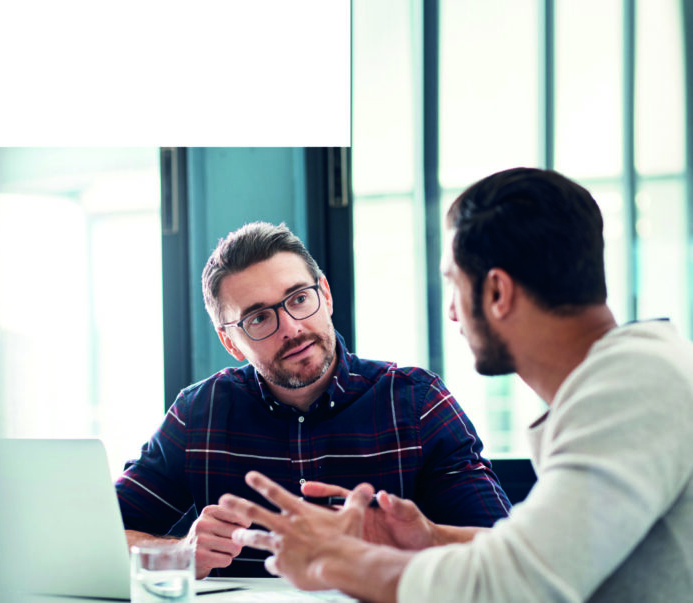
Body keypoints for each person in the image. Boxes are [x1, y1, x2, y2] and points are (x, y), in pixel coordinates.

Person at [219, 169, 693, 602]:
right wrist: (430, 538)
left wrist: (337, 560)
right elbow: (545, 553)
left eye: (454, 284)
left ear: (497, 293)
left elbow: (512, 588)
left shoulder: (634, 389)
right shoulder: (633, 377)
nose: (451, 311)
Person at [115, 221, 511, 578]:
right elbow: (100, 537)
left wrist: (421, 540)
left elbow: (504, 554)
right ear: (230, 342)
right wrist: (178, 554)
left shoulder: (418, 403)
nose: (291, 327)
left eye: (299, 298)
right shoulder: (198, 414)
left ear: (326, 295)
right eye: (259, 318)